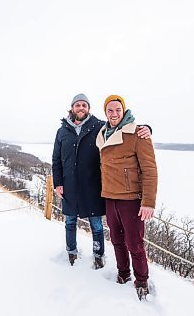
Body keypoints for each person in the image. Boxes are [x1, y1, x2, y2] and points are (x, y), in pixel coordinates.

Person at [52, 94, 151, 270]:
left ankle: (98, 256)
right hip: (69, 186)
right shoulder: (62, 131)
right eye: (77, 105)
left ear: (89, 108)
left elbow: (119, 129)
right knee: (69, 222)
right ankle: (71, 252)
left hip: (93, 185)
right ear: (72, 108)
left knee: (96, 225)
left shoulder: (98, 127)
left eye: (84, 105)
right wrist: (58, 182)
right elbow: (56, 159)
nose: (81, 108)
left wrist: (147, 128)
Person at [95, 95, 158, 300]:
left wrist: (148, 202)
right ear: (106, 112)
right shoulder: (102, 134)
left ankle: (141, 281)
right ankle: (123, 274)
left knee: (134, 243)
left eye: (118, 110)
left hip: (131, 198)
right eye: (110, 110)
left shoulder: (137, 133)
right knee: (116, 240)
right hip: (110, 196)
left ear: (124, 111)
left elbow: (150, 170)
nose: (114, 114)